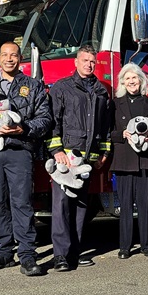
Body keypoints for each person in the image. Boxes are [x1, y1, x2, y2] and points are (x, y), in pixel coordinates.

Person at [0, 41, 51, 276]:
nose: (9, 59)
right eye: (4, 55)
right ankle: (4, 252)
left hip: (19, 151)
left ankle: (27, 255)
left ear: (19, 58)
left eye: (13, 55)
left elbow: (45, 119)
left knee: (22, 203)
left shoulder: (33, 86)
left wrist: (23, 128)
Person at [47, 44, 112, 270]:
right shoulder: (62, 87)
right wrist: (56, 151)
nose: (89, 65)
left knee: (82, 207)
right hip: (66, 160)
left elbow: (105, 126)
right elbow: (53, 122)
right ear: (76, 62)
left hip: (87, 161)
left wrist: (104, 152)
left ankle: (75, 252)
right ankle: (60, 255)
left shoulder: (101, 91)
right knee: (61, 206)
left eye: (92, 61)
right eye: (85, 60)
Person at [109, 63, 148, 259]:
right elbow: (109, 131)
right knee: (125, 205)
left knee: (145, 204)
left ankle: (146, 244)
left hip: (147, 160)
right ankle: (124, 246)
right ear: (123, 82)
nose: (131, 81)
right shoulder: (115, 104)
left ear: (141, 81)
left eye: (135, 78)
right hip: (124, 160)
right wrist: (121, 134)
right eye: (128, 78)